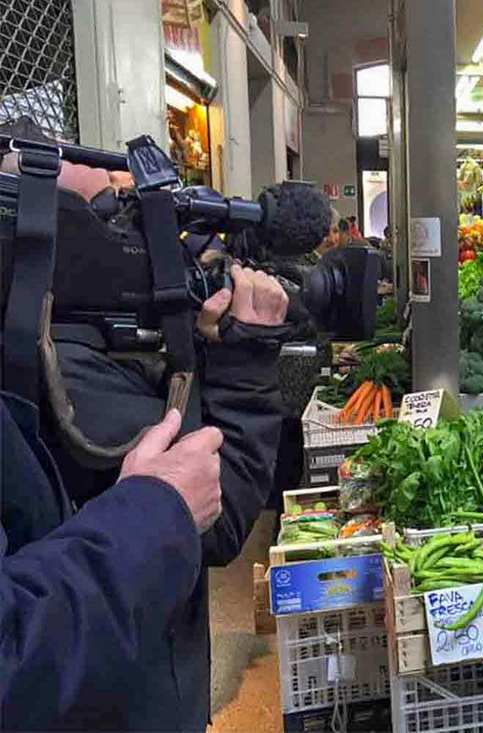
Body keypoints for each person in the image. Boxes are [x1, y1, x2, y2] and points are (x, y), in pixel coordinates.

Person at [1, 141, 288, 730]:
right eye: (103, 216)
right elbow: (222, 516)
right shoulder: (63, 371)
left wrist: (202, 356)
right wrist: (248, 363)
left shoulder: (63, 356)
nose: (130, 241)